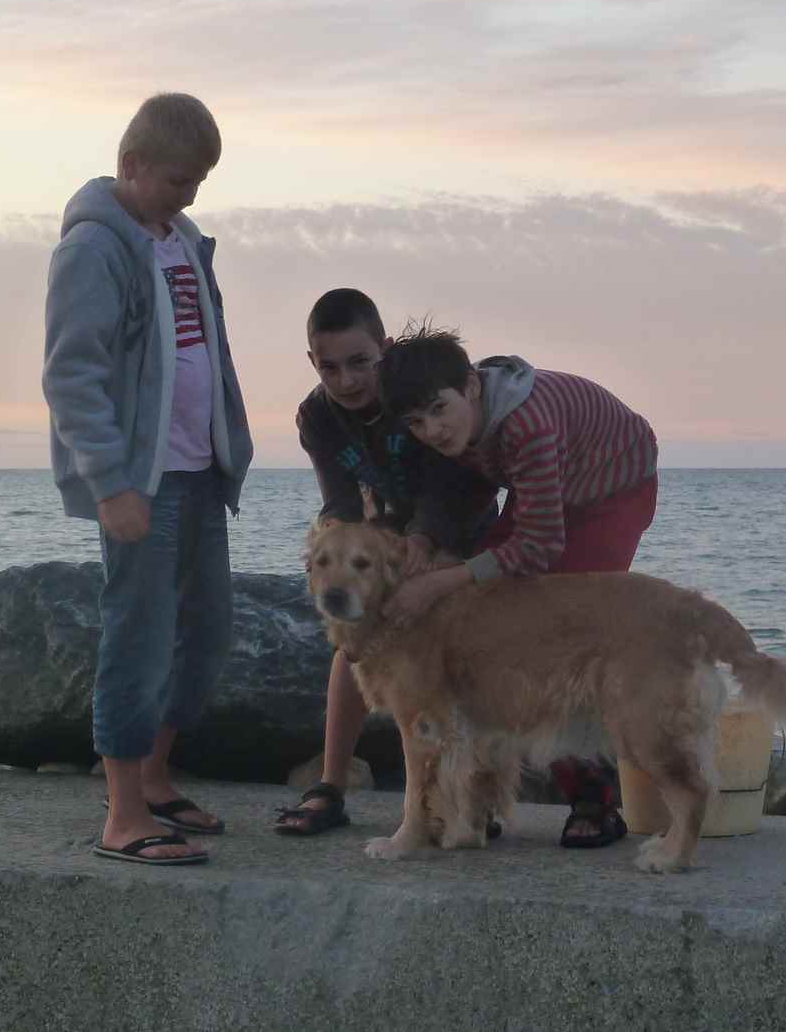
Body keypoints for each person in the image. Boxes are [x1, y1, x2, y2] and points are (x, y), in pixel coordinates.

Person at [43, 92, 253, 865]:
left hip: (201, 473)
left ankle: (157, 780)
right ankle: (123, 817)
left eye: (197, 184)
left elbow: (203, 357)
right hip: (140, 480)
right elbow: (73, 375)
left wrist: (229, 446)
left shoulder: (185, 240)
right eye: (176, 181)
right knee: (137, 639)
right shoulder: (93, 249)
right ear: (131, 166)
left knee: (206, 637)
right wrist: (109, 481)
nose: (188, 196)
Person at [374, 325, 658, 848]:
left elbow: (540, 547)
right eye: (417, 421)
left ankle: (595, 798)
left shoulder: (527, 425)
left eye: (439, 410)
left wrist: (438, 582)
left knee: (561, 636)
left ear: (472, 387)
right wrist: (421, 540)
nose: (432, 431)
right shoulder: (459, 428)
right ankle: (482, 800)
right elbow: (452, 495)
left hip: (614, 484)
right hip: (553, 487)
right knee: (485, 617)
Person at [273, 289, 496, 837]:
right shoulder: (317, 416)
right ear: (312, 363)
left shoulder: (407, 393)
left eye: (359, 363)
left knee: (468, 665)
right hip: (386, 534)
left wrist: (425, 547)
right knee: (354, 642)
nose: (346, 380)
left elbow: (451, 480)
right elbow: (341, 500)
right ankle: (330, 784)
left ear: (384, 349)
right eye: (330, 367)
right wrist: (342, 548)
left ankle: (474, 801)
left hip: (458, 527)